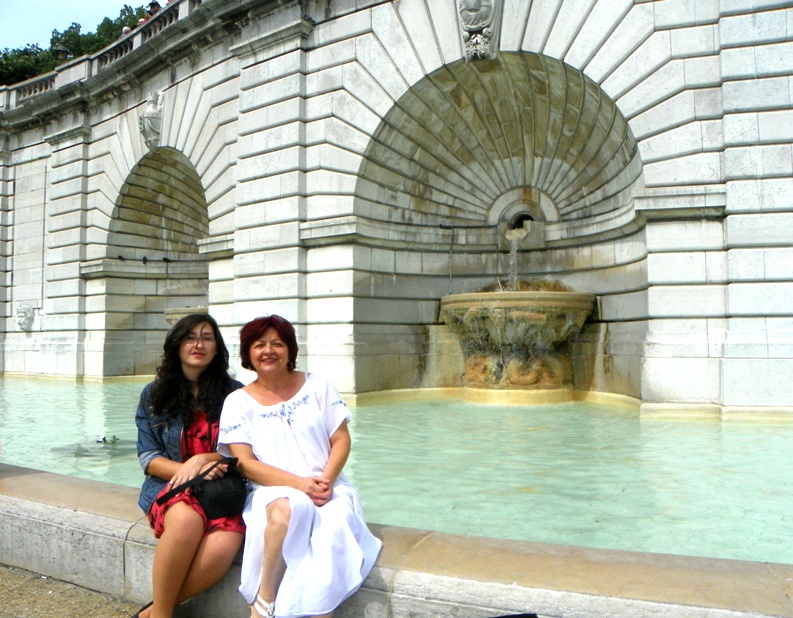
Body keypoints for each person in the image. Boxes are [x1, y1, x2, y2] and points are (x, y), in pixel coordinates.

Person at [218, 315, 381, 618]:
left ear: (290, 350)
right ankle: (265, 600)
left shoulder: (318, 385)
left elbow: (341, 440)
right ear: (248, 353)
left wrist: (324, 482)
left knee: (330, 527)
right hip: (271, 490)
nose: (269, 350)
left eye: (277, 344)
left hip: (327, 488)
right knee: (288, 508)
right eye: (259, 344)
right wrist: (300, 485)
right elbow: (245, 464)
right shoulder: (237, 402)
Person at [134, 313, 245, 618]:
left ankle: (153, 613)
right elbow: (148, 458)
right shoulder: (154, 394)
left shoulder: (236, 394)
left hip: (220, 490)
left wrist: (206, 459)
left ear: (216, 347)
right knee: (186, 521)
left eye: (207, 337)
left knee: (225, 546)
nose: (199, 344)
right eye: (190, 337)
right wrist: (190, 472)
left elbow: (246, 453)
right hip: (170, 488)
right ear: (177, 345)